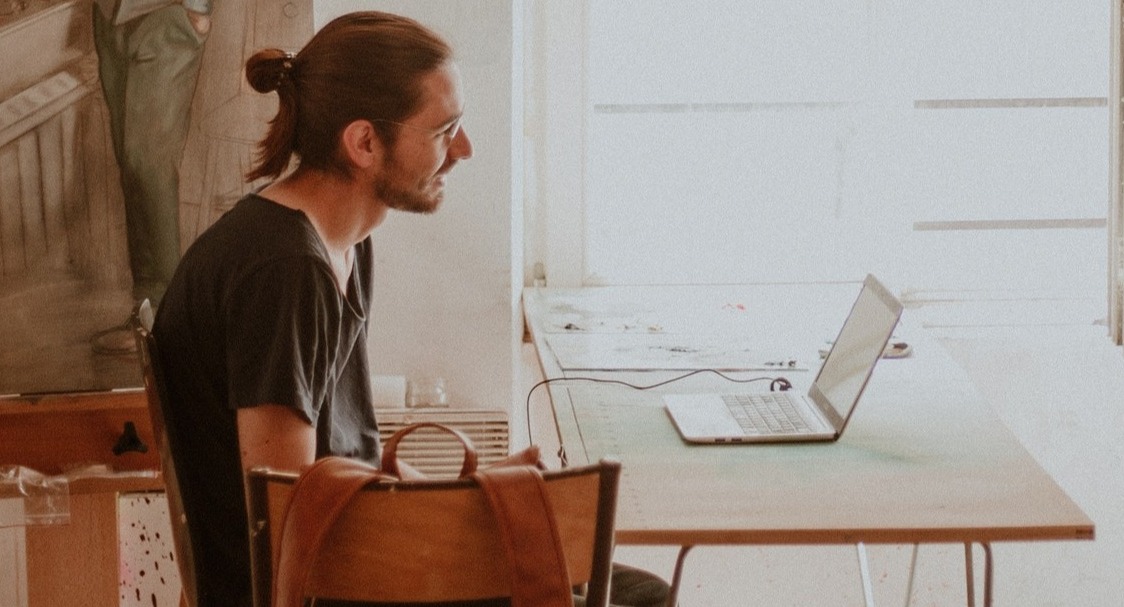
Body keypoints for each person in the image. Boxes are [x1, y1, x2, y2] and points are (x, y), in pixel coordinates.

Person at [153, 11, 668, 607]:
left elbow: (348, 467)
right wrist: (476, 511)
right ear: (365, 142)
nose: (465, 150)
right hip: (316, 584)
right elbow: (287, 515)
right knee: (630, 597)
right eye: (445, 130)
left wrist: (477, 494)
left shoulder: (343, 243)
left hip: (350, 557)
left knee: (627, 587)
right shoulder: (284, 272)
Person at [90, 0, 211, 354]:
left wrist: (198, 8)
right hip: (109, 15)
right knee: (130, 164)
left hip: (165, 14)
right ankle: (146, 311)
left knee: (148, 164)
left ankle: (166, 313)